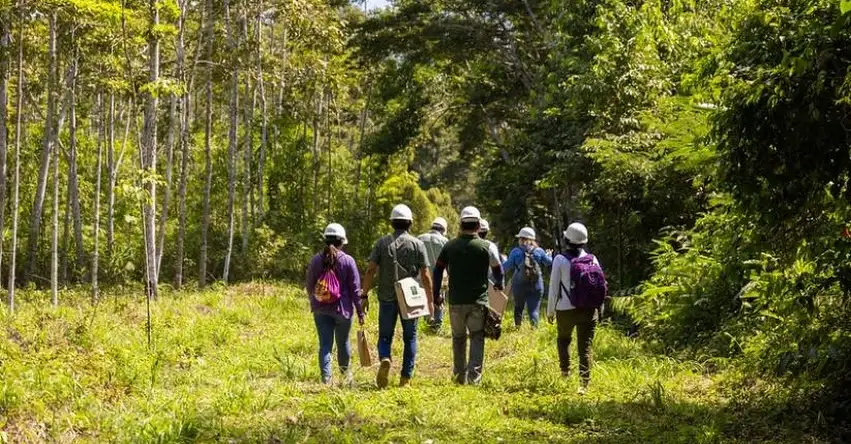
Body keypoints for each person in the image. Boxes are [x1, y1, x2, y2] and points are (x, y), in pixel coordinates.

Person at [362, 204, 434, 388]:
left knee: (385, 336)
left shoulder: (381, 243)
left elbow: (370, 270)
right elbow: (425, 275)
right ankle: (405, 378)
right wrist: (430, 300)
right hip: (410, 298)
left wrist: (363, 294)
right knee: (410, 337)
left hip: (386, 297)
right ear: (410, 222)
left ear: (392, 222)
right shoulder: (418, 244)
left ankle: (385, 358)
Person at [433, 207, 504, 385]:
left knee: (458, 339)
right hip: (478, 303)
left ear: (461, 224)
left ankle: (459, 377)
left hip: (456, 302)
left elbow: (438, 269)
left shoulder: (449, 246)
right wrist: (499, 283)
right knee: (477, 337)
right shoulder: (486, 247)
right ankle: (474, 379)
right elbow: (498, 270)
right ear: (479, 225)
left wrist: (436, 295)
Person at [547, 222, 606, 394]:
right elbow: (600, 286)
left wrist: (550, 311)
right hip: (589, 309)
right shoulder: (592, 259)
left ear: (567, 239)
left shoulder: (559, 259)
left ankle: (565, 372)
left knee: (564, 340)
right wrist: (599, 308)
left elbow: (553, 288)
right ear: (583, 241)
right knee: (585, 346)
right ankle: (584, 384)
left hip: (565, 309)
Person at [305, 223, 364, 386]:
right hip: (343, 311)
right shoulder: (348, 261)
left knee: (325, 344)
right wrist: (360, 312)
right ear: (342, 241)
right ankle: (345, 376)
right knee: (343, 342)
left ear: (325, 240)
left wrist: (315, 301)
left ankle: (326, 379)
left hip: (321, 310)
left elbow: (310, 285)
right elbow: (355, 290)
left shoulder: (316, 259)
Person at [502, 227, 552, 328]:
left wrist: (504, 260)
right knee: (534, 310)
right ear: (532, 239)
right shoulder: (539, 251)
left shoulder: (515, 252)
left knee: (518, 307)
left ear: (521, 238)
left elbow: (505, 267)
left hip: (519, 285)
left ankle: (517, 328)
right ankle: (534, 329)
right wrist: (549, 255)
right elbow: (549, 262)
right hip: (536, 285)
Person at [419, 217, 449, 331]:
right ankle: (436, 326)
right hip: (439, 276)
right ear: (443, 230)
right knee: (439, 298)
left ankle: (425, 322)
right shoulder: (445, 241)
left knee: (424, 298)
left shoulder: (420, 238)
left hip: (422, 275)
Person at [478, 219, 501, 285]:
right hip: (488, 282)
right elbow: (497, 267)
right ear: (487, 232)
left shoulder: (467, 244)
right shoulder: (491, 246)